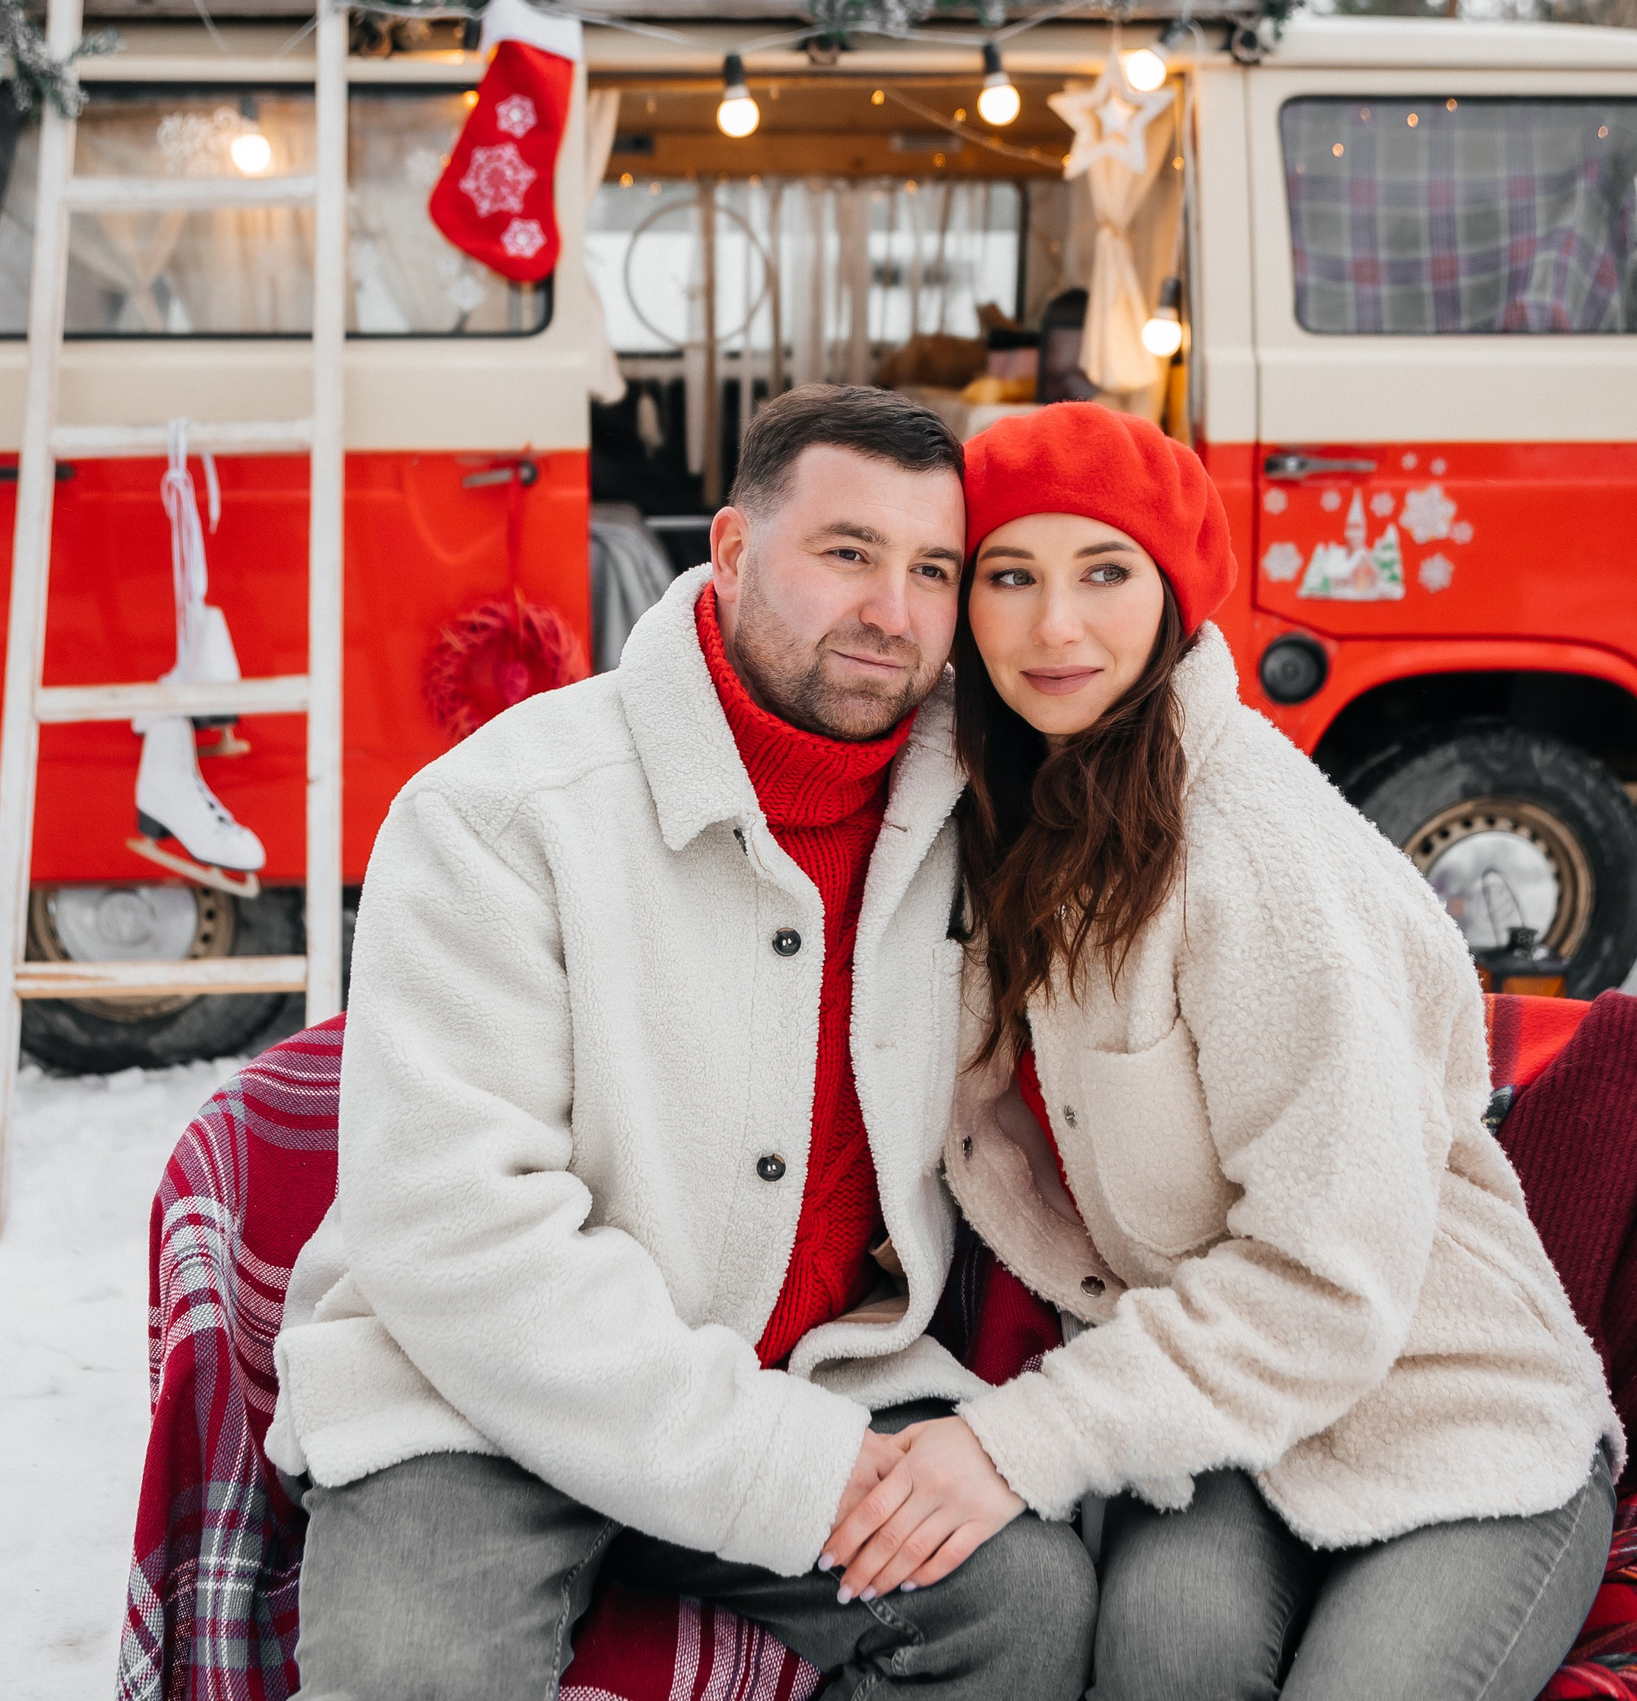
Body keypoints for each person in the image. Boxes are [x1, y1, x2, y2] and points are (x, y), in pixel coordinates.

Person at [266, 385, 1095, 1700]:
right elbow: (459, 1237)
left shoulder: (978, 813)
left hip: (817, 1378)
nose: (893, 609)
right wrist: (769, 1466)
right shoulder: (500, 814)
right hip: (479, 1400)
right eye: (846, 553)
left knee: (1024, 1606)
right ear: (727, 550)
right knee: (406, 1675)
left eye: (933, 568)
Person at [821, 401, 1623, 1701]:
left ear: (1176, 593)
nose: (1055, 629)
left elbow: (1327, 1282)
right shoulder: (999, 801)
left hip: (1444, 1411)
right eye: (1010, 578)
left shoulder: (1257, 859)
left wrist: (1022, 1440)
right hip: (1228, 1425)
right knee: (1155, 1666)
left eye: (1104, 574)